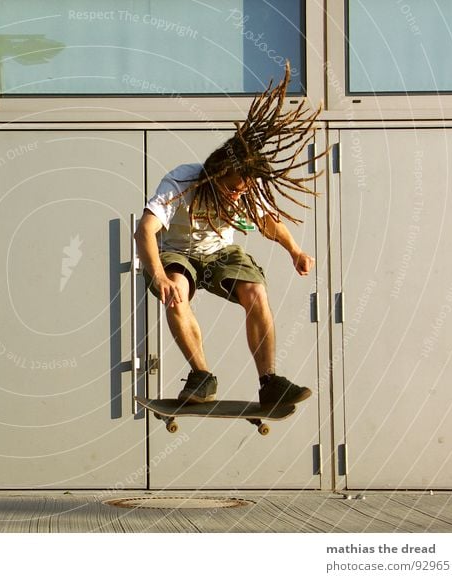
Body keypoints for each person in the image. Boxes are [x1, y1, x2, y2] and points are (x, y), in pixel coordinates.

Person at [134, 64, 322, 407]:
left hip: (220, 252)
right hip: (178, 250)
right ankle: (201, 376)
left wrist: (294, 250)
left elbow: (268, 222)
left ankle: (269, 382)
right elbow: (145, 229)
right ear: (215, 175)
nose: (239, 195)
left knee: (256, 292)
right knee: (176, 289)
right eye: (232, 189)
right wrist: (158, 275)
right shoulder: (182, 182)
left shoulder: (248, 187)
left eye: (244, 189)